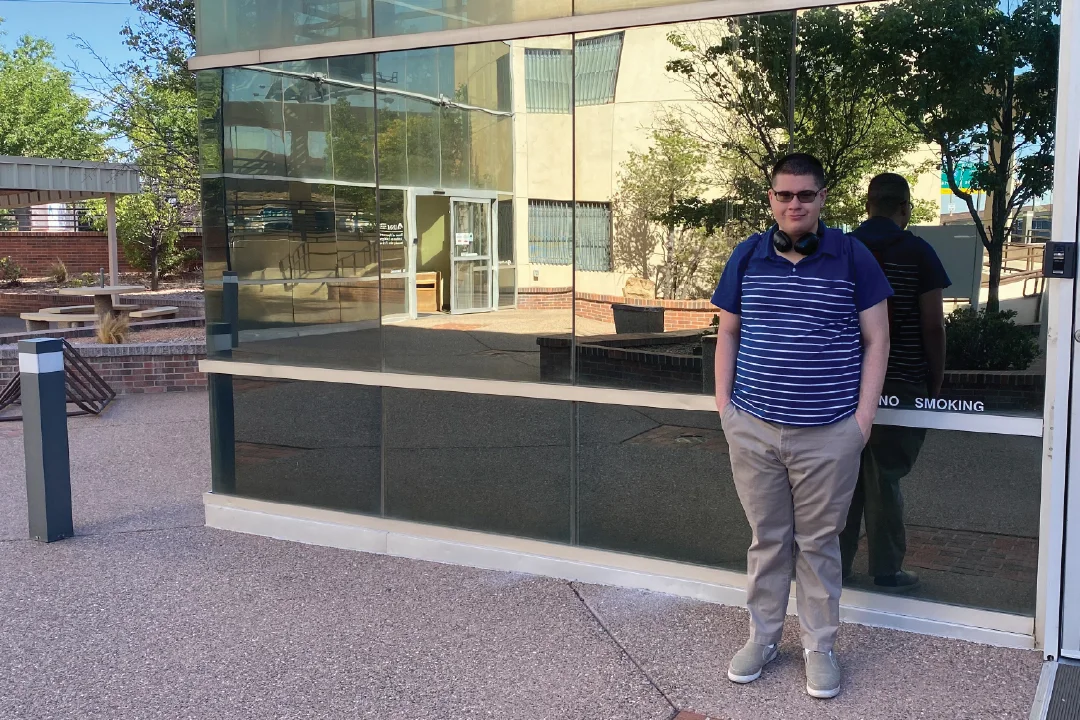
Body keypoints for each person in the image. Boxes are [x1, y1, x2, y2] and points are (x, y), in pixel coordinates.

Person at [712, 153, 892, 699]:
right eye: (785, 195)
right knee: (768, 540)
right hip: (754, 429)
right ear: (771, 199)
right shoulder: (747, 255)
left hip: (829, 433)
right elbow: (727, 335)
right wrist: (725, 408)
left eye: (806, 195)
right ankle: (763, 638)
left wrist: (861, 422)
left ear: (822, 198)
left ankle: (820, 647)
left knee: (817, 545)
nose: (795, 204)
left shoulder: (853, 256)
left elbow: (877, 341)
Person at [840, 173, 951, 591]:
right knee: (885, 476)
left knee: (844, 475)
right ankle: (886, 570)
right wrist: (934, 381)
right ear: (904, 208)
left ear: (868, 205)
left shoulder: (845, 249)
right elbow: (932, 326)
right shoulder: (920, 252)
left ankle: (835, 566)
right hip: (901, 380)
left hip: (847, 383)